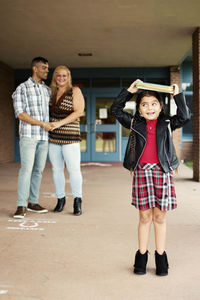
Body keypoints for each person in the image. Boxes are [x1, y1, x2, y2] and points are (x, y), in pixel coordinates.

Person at [110, 79, 190, 276]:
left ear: (160, 106)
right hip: (142, 172)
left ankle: (161, 258)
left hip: (162, 172)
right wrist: (130, 90)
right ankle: (141, 258)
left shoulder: (168, 122)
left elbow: (185, 116)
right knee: (145, 216)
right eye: (144, 104)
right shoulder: (135, 122)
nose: (149, 108)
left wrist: (177, 96)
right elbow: (116, 110)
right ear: (138, 108)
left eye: (154, 103)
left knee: (159, 217)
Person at [12, 57, 52, 219]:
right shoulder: (22, 88)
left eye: (47, 68)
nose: (46, 71)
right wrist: (42, 124)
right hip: (29, 135)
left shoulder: (47, 90)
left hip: (44, 137)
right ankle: (21, 205)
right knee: (26, 170)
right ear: (35, 69)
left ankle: (33, 202)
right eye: (44, 68)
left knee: (38, 171)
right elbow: (20, 114)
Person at [48, 66, 84, 215]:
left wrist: (59, 124)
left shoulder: (75, 91)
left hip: (70, 137)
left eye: (64, 76)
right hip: (53, 138)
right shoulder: (51, 92)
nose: (61, 78)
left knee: (74, 170)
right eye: (58, 75)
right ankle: (60, 199)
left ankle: (77, 201)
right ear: (54, 77)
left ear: (68, 76)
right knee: (56, 170)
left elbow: (78, 112)